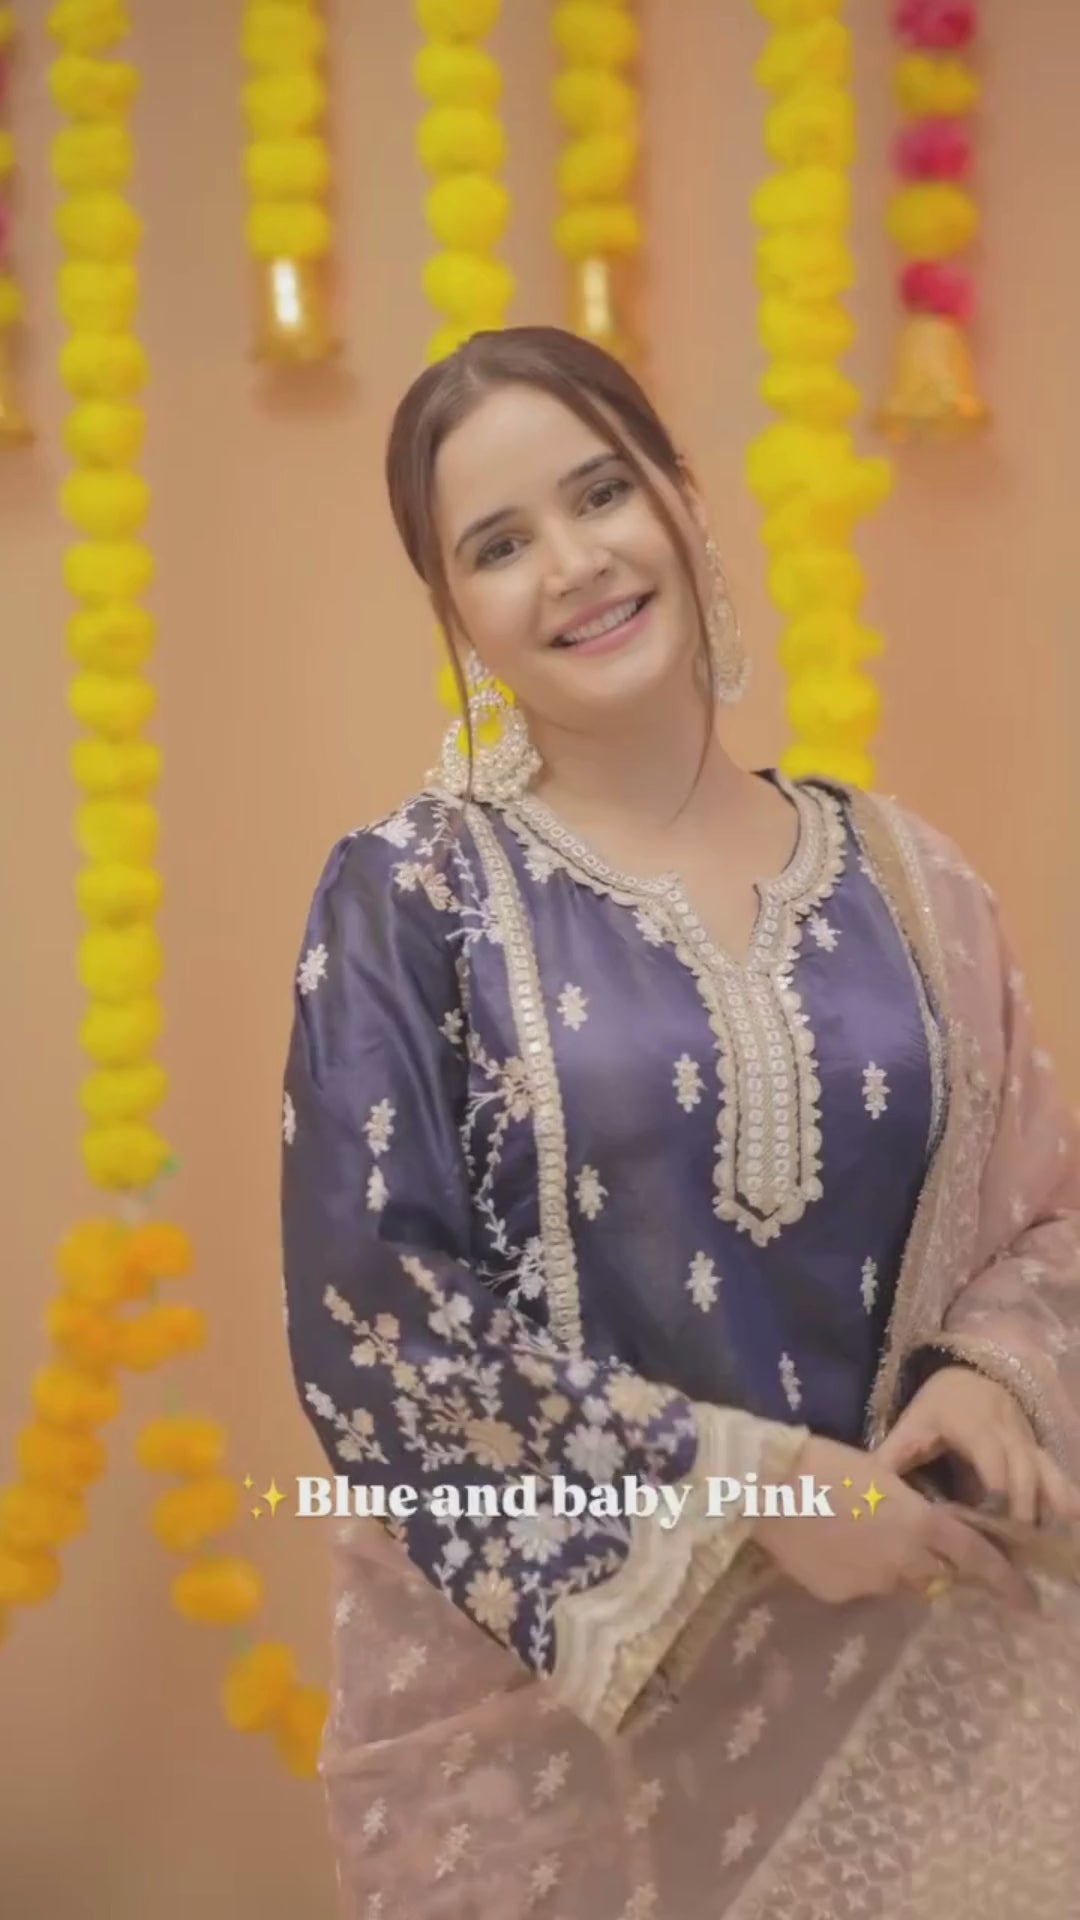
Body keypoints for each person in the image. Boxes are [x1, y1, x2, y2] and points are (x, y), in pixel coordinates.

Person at [281, 326, 1080, 1919]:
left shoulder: (912, 882)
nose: (573, 564)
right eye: (499, 544)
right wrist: (765, 1500)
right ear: (457, 615)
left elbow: (1045, 1213)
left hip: (926, 1702)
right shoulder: (412, 901)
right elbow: (377, 1326)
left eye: (601, 494)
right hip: (572, 1775)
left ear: (685, 501)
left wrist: (990, 1374)